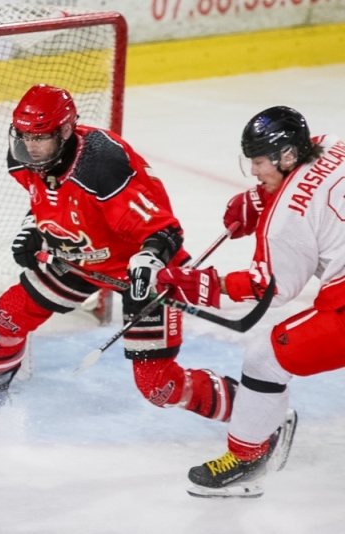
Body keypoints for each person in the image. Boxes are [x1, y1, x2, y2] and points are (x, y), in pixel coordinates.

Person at [0, 84, 238, 422]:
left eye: (39, 138)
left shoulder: (101, 167)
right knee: (7, 315)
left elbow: (164, 232)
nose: (29, 147)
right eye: (23, 136)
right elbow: (49, 199)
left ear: (64, 131)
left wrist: (148, 262)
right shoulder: (23, 158)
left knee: (157, 386)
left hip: (140, 271)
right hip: (79, 257)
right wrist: (33, 228)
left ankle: (254, 415)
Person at [157, 106, 343, 497]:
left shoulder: (287, 219)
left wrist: (205, 285)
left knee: (264, 358)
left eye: (259, 163)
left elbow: (270, 289)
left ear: (287, 157)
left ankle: (247, 457)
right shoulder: (330, 145)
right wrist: (260, 200)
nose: (255, 171)